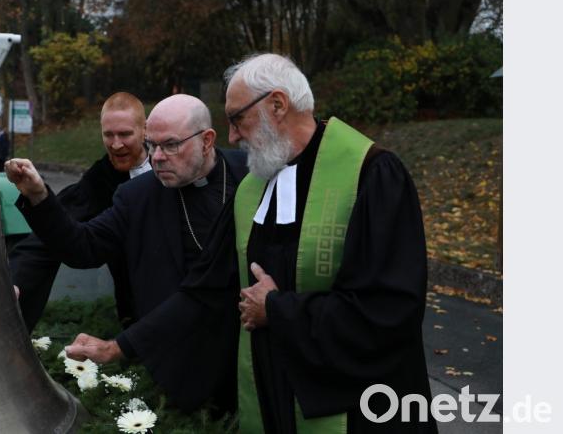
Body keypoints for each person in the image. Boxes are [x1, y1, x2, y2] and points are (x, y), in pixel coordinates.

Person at [67, 54, 437, 434]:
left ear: (277, 105)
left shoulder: (372, 176)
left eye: (237, 119)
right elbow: (202, 292)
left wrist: (278, 309)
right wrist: (118, 347)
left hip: (361, 407)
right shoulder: (254, 187)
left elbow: (392, 310)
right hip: (276, 396)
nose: (233, 137)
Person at [5, 94, 248, 415]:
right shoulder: (137, 195)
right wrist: (39, 196)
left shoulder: (250, 174)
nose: (157, 157)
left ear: (207, 140)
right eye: (153, 145)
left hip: (247, 349)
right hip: (176, 354)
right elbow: (82, 247)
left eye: (170, 145)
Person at [8, 92, 151, 333]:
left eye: (125, 134)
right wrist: (14, 282)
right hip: (137, 312)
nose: (116, 144)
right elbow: (49, 237)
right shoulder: (98, 182)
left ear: (145, 130)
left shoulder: (171, 165)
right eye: (108, 135)